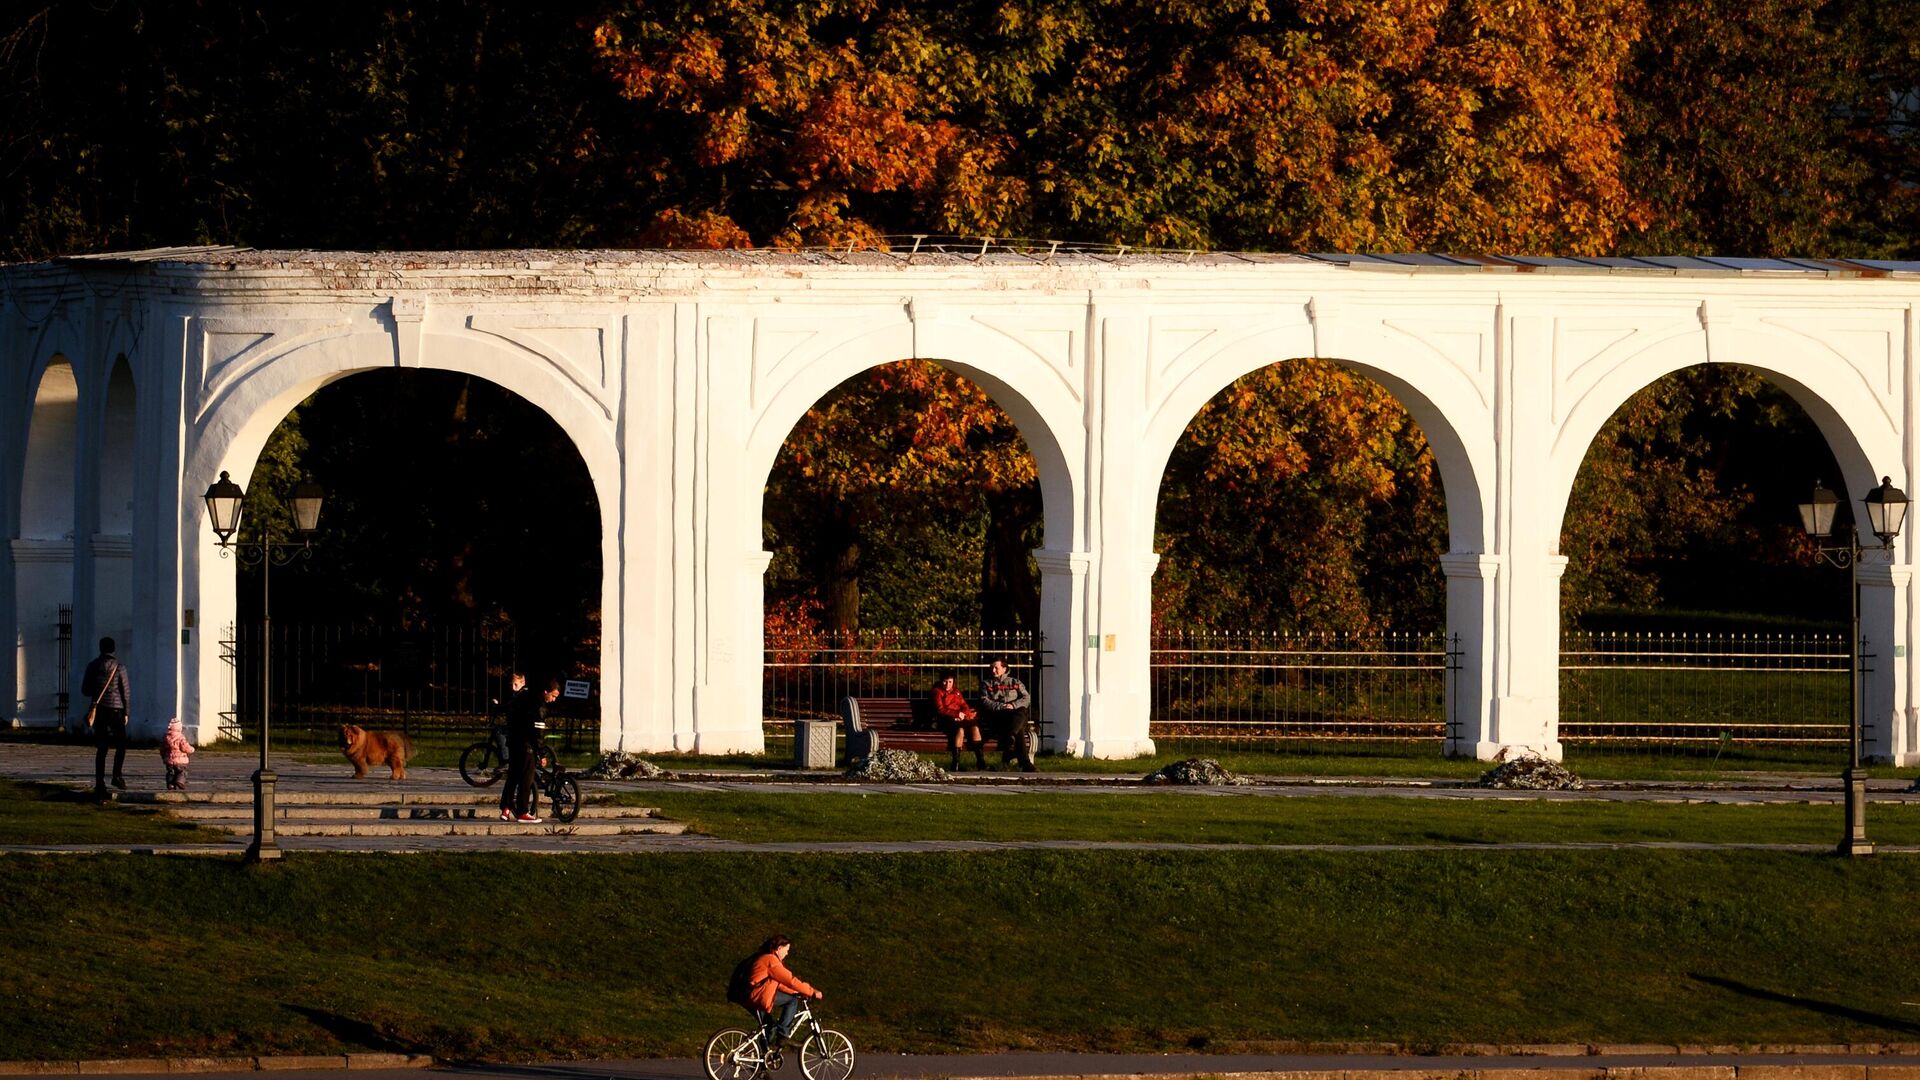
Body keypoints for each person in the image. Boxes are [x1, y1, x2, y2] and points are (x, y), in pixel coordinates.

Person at [499, 673, 557, 824]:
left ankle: (506, 807)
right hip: (526, 745)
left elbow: (509, 709)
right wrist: (542, 753)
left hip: (513, 740)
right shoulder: (539, 706)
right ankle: (523, 811)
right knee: (526, 777)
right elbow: (538, 734)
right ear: (546, 692)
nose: (554, 699)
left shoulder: (524, 696)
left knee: (513, 775)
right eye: (553, 695)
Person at [748, 934, 822, 1049]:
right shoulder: (771, 960)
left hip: (751, 995)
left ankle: (763, 1057)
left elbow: (780, 984)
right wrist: (811, 991)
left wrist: (796, 992)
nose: (787, 953)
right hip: (757, 995)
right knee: (792, 1001)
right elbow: (790, 980)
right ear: (779, 948)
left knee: (769, 1026)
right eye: (787, 950)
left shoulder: (766, 958)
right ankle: (783, 1035)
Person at [81, 637, 131, 792]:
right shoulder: (120, 667)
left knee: (102, 747)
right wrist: (127, 712)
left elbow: (85, 690)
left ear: (100, 648)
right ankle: (117, 776)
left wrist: (97, 689)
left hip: (100, 710)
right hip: (117, 710)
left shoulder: (93, 666)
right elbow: (126, 692)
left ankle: (99, 782)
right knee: (121, 745)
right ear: (114, 649)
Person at [979, 658, 1036, 772]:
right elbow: (984, 700)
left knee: (1021, 711)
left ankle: (1010, 738)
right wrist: (1001, 706)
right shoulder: (986, 683)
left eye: (996, 668)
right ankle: (1024, 762)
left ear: (1004, 669)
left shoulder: (1015, 682)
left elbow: (1026, 698)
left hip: (1013, 715)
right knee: (1018, 728)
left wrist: (1013, 705)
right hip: (998, 716)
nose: (993, 670)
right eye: (992, 668)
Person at [932, 673, 986, 771]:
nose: (947, 684)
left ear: (953, 682)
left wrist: (964, 713)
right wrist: (956, 714)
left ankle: (981, 761)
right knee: (960, 730)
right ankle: (955, 763)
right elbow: (940, 709)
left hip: (959, 717)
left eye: (950, 682)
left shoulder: (956, 691)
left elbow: (964, 705)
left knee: (975, 728)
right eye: (945, 681)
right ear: (941, 681)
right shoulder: (937, 692)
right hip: (945, 719)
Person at [160, 716, 194, 790]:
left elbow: (162, 749)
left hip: (169, 760)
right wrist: (191, 749)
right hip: (180, 760)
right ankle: (180, 781)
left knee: (170, 772)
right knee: (182, 772)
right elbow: (184, 747)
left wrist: (163, 756)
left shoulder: (166, 738)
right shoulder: (181, 737)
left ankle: (170, 784)